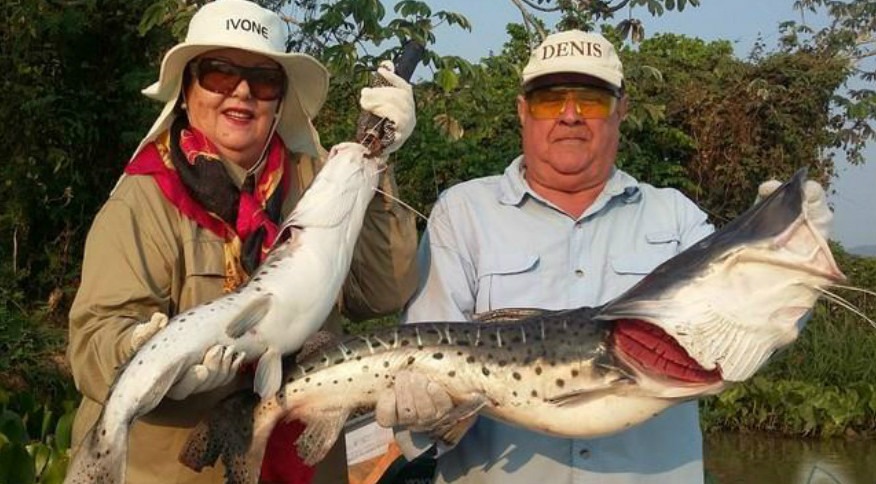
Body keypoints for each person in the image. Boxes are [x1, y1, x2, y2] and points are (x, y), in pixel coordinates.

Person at [375, 29, 832, 483]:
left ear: (621, 110)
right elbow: (423, 370)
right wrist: (428, 412)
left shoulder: (676, 217)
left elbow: (746, 330)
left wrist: (785, 257)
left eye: (591, 100)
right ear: (522, 111)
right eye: (550, 99)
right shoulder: (463, 212)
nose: (570, 116)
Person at [66, 0, 418, 483]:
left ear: (280, 100)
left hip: (304, 467)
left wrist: (378, 169)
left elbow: (382, 293)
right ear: (186, 90)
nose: (243, 92)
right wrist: (140, 349)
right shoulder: (141, 199)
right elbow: (92, 338)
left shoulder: (324, 180)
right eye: (219, 73)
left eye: (264, 79)